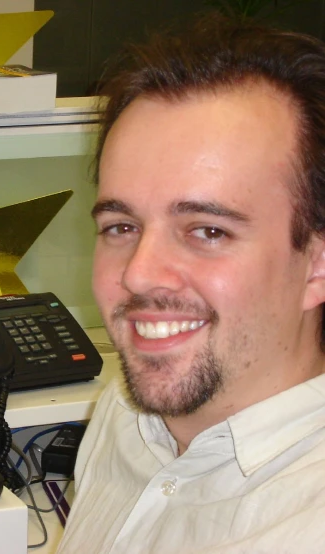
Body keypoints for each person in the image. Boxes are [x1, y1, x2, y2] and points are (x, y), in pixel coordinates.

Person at [57, 14, 325, 553]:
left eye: (207, 230)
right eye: (122, 226)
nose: (138, 272)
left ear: (315, 265)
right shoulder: (128, 416)